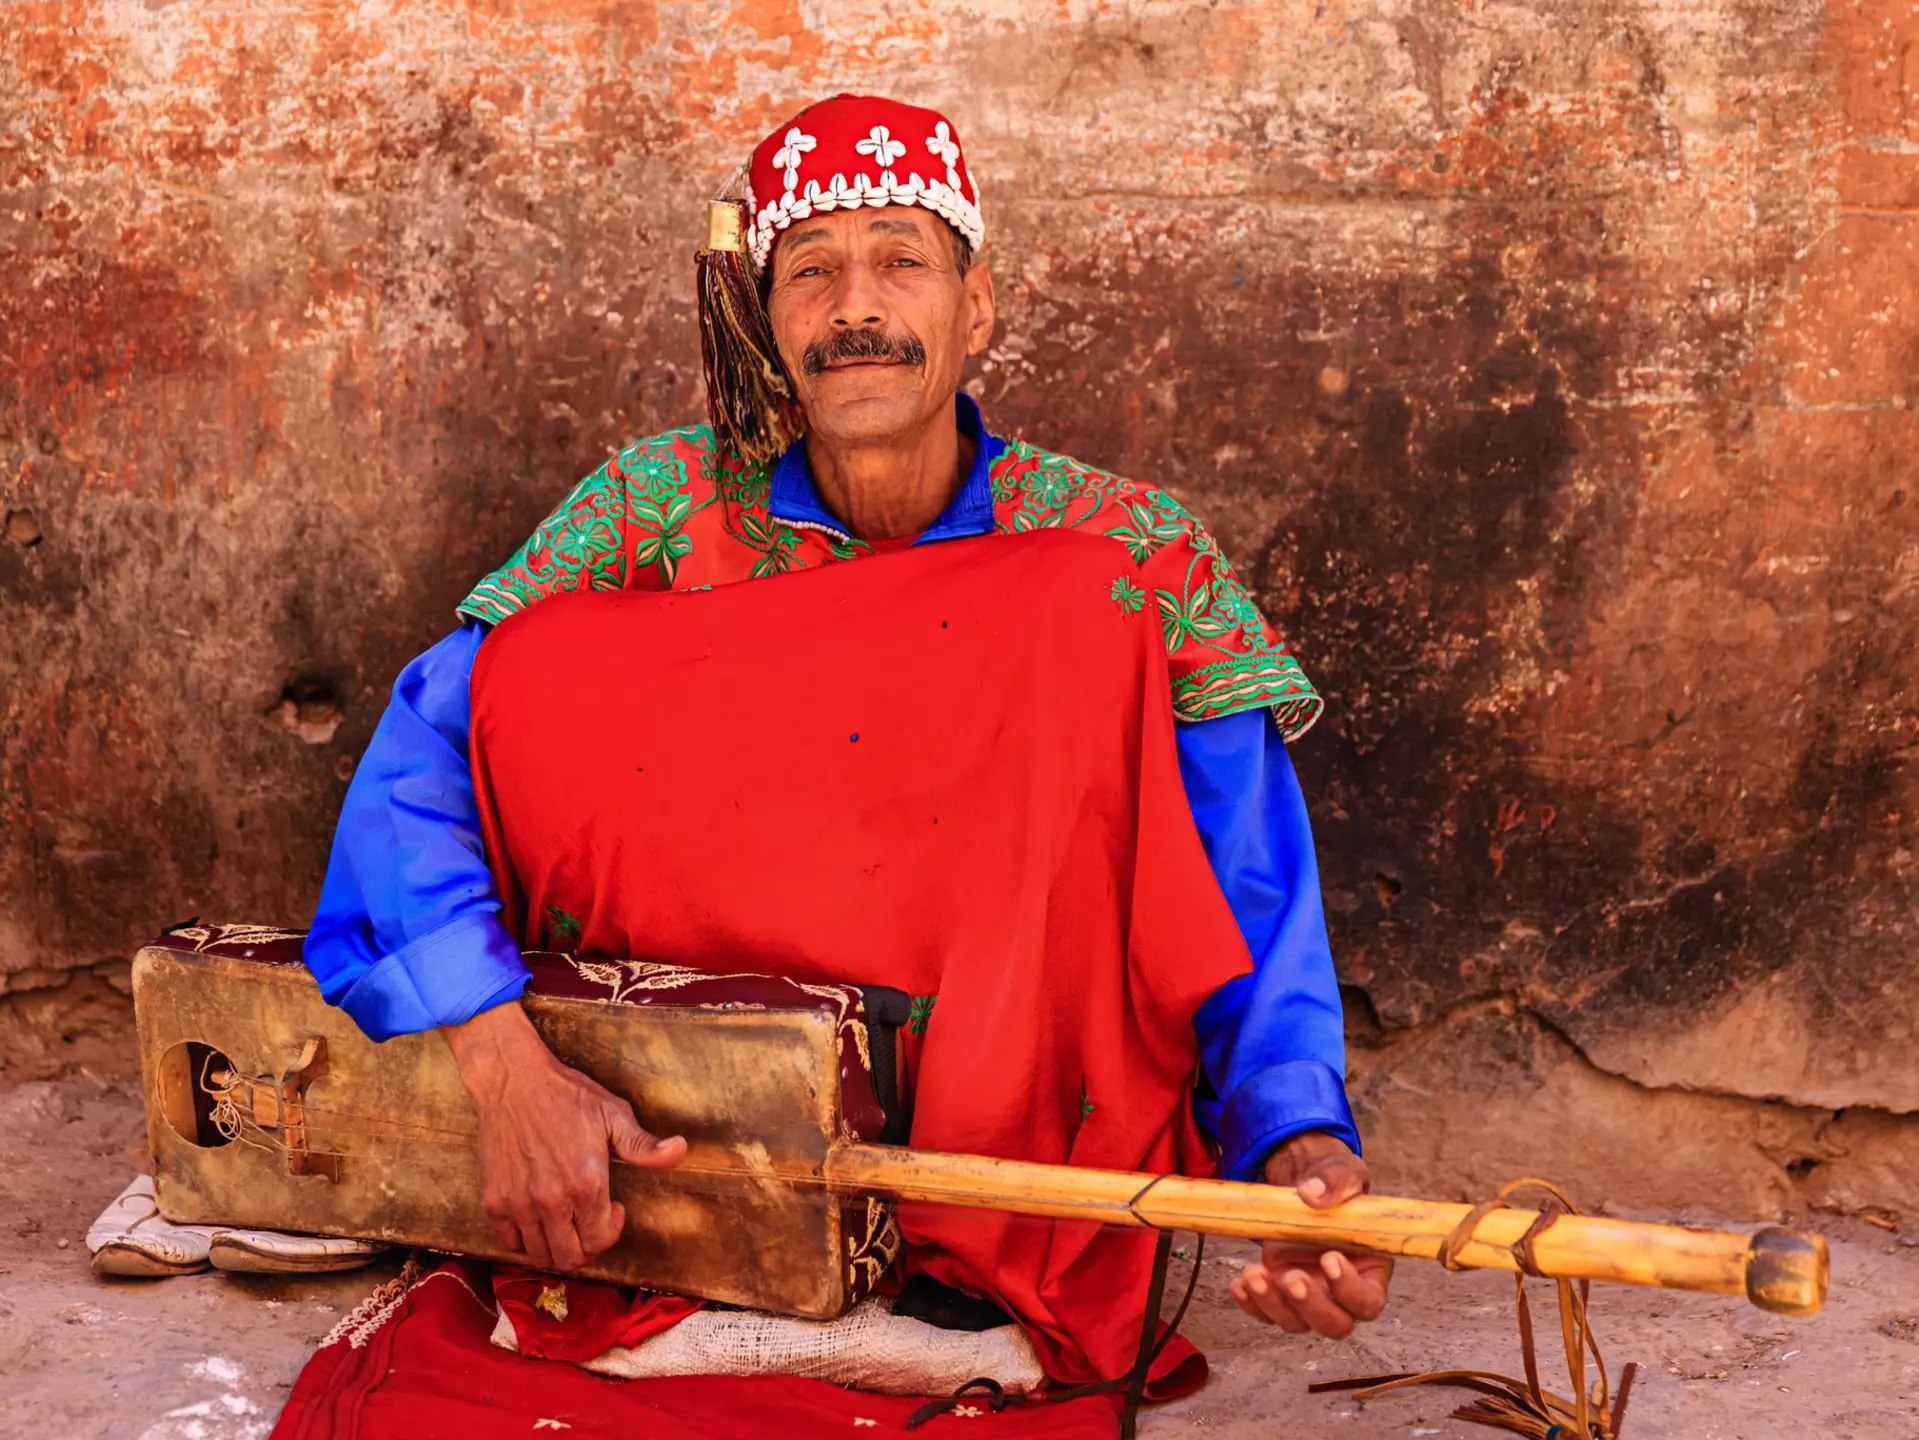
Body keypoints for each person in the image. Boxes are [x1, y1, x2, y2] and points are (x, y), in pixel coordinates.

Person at [304, 93, 1391, 1374]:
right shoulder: (658, 510)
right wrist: (504, 1073)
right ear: (764, 326)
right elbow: (424, 761)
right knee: (534, 660)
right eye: (809, 272)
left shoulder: (1119, 554)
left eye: (899, 261)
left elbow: (1239, 876)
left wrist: (1292, 1149)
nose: (853, 306)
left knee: (1072, 611)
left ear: (973, 310)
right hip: (701, 1128)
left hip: (1008, 1151)